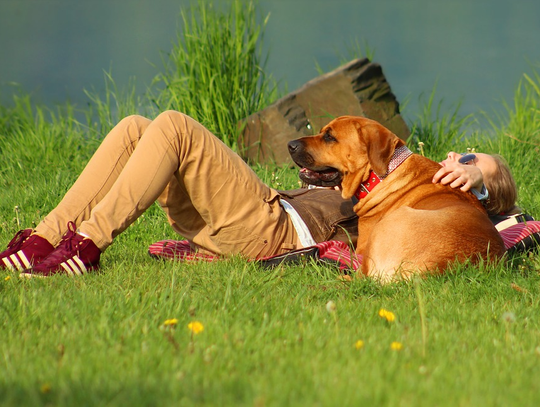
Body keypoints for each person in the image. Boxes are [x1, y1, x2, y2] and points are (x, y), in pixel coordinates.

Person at [0, 111, 520, 277]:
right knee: (139, 126)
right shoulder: (406, 172)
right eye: (459, 155)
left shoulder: (447, 197)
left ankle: (87, 243)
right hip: (260, 212)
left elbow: (502, 192)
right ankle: (42, 239)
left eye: (468, 160)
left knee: (176, 126)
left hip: (274, 225)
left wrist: (482, 171)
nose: (457, 160)